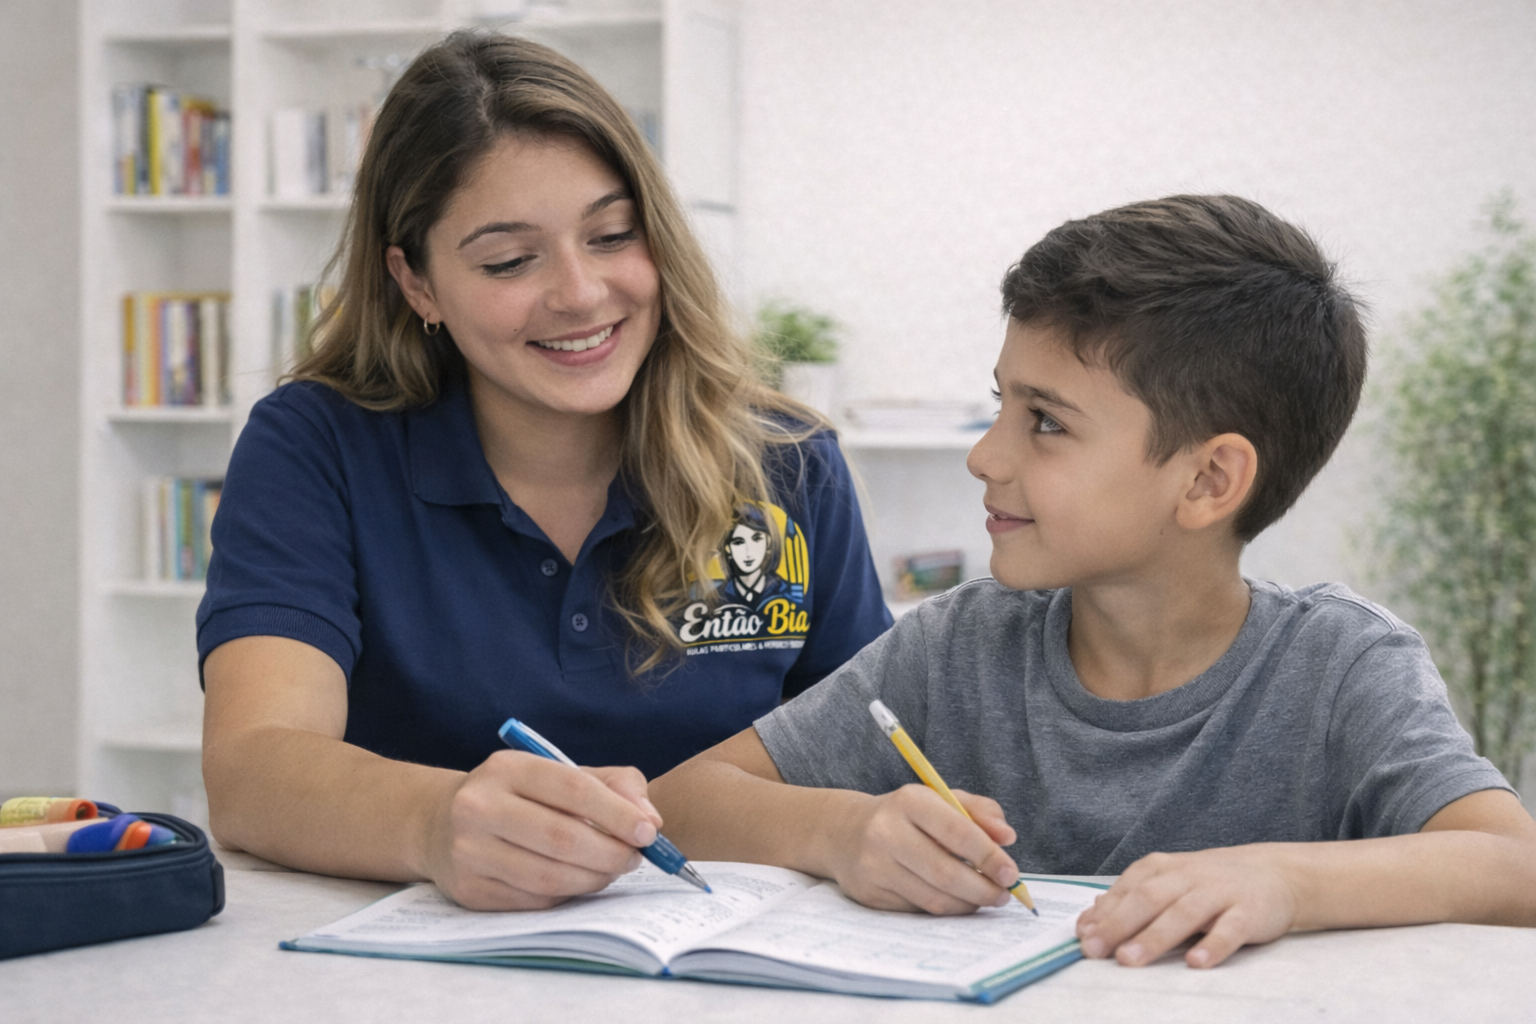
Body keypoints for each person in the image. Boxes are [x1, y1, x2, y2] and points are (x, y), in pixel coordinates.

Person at [649, 195, 1536, 967]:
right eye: (1000, 403)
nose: (985, 455)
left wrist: (1284, 879)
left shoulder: (1340, 666)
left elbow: (1515, 868)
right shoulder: (957, 644)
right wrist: (841, 832)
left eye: (1045, 422)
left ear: (1207, 481)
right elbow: (679, 803)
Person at [196, 32, 891, 910]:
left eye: (611, 235)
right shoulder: (316, 447)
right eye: (509, 260)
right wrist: (433, 822)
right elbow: (254, 769)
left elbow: (870, 753)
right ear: (417, 284)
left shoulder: (789, 464)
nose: (580, 293)